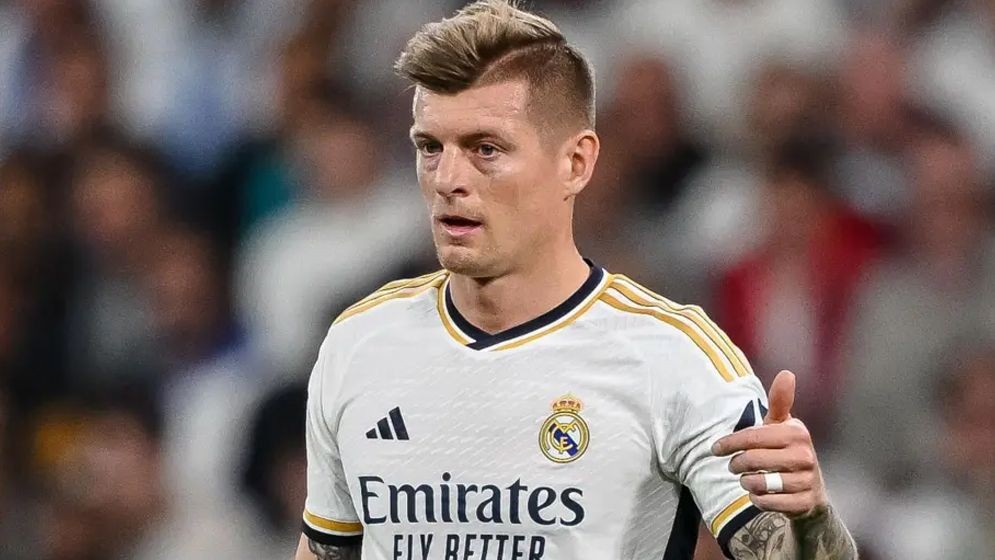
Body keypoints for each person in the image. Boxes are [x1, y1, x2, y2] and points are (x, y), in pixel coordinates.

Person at [295, 2, 858, 559]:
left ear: (576, 163)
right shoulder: (359, 344)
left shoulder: (673, 359)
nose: (447, 179)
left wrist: (811, 517)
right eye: (430, 148)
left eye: (486, 149)